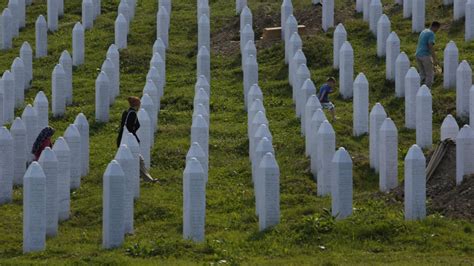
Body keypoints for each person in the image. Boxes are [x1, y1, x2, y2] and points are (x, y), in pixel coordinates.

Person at [117, 96, 158, 183]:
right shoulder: (133, 114)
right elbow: (131, 128)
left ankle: (147, 179)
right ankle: (149, 180)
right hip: (129, 142)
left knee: (137, 161)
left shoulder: (126, 112)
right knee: (140, 161)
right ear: (137, 105)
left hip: (122, 140)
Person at [415, 21, 441, 88]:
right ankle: (427, 91)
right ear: (435, 27)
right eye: (437, 29)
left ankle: (415, 88)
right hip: (425, 56)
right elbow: (430, 46)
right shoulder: (431, 34)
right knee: (430, 75)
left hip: (418, 55)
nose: (437, 31)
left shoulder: (424, 31)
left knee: (422, 74)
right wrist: (434, 59)